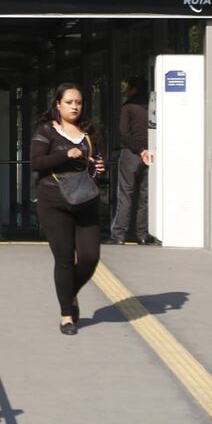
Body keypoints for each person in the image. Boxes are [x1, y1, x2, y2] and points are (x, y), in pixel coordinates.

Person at [30, 82, 106, 336]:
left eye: (79, 102)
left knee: (89, 257)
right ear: (58, 105)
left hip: (85, 201)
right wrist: (66, 154)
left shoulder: (90, 132)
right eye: (70, 102)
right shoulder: (46, 131)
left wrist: (100, 168)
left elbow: (96, 164)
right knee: (64, 260)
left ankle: (68, 291)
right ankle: (66, 315)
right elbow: (36, 162)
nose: (75, 106)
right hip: (54, 203)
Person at [110, 76, 152, 245]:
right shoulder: (153, 107)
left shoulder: (128, 107)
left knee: (125, 195)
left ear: (133, 89)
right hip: (151, 155)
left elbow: (124, 133)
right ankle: (142, 234)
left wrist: (139, 150)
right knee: (145, 196)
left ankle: (119, 235)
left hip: (131, 155)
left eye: (128, 88)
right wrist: (146, 150)